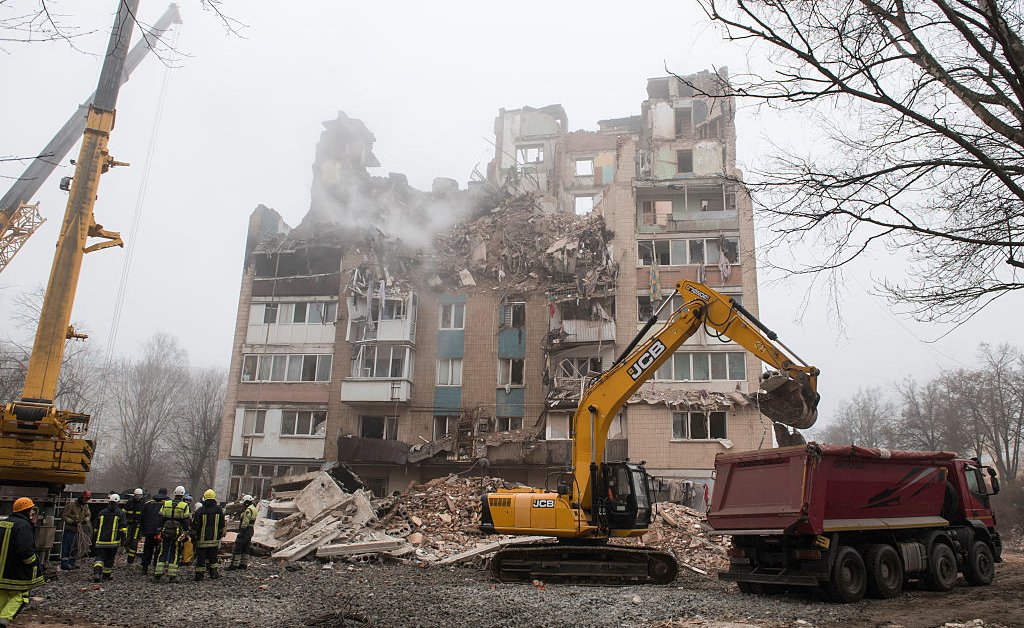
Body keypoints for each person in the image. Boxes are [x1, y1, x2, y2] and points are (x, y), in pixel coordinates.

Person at [0, 498, 45, 627]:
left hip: (2, 573)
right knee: (21, 597)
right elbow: (25, 550)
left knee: (2, 595)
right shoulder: (23, 526)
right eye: (31, 510)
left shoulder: (4, 523)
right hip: (17, 573)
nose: (32, 513)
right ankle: (2, 622)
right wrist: (33, 564)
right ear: (26, 510)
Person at [153, 486, 190, 583]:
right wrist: (186, 532)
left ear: (174, 493)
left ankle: (157, 575)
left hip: (166, 529)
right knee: (175, 551)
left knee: (162, 551)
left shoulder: (166, 503)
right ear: (183, 494)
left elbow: (160, 518)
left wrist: (159, 529)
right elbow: (186, 521)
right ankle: (172, 576)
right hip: (177, 531)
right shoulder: (184, 506)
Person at [191, 489, 225, 581]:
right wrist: (219, 535)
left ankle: (199, 575)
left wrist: (193, 537)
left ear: (205, 498)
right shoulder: (219, 510)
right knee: (213, 558)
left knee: (201, 559)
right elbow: (222, 525)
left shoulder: (200, 511)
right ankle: (214, 573)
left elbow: (195, 526)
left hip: (201, 541)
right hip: (214, 541)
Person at [92, 494, 127, 583]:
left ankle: (97, 574)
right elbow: (123, 528)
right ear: (118, 502)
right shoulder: (120, 513)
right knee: (110, 558)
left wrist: (94, 539)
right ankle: (106, 575)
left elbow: (96, 528)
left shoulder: (102, 512)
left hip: (100, 541)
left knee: (99, 558)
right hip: (113, 542)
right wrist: (124, 541)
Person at [59, 490, 91, 571]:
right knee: (67, 546)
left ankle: (72, 562)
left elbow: (88, 515)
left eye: (88, 498)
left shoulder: (85, 506)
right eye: (86, 498)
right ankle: (65, 564)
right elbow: (64, 516)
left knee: (75, 547)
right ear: (82, 497)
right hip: (70, 529)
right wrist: (72, 522)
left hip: (78, 531)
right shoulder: (71, 505)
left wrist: (85, 520)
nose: (87, 500)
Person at [139, 488, 167, 575]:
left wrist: (143, 530)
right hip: (160, 532)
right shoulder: (167, 504)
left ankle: (145, 568)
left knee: (147, 549)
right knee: (159, 550)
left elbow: (142, 517)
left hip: (149, 531)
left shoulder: (148, 504)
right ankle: (156, 568)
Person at [227, 495, 257, 570]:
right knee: (246, 547)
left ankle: (234, 565)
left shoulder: (248, 510)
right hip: (250, 530)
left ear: (246, 502)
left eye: (244, 503)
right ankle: (243, 564)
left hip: (245, 530)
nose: (243, 505)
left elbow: (245, 522)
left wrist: (241, 531)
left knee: (238, 546)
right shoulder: (254, 508)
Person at [122, 488, 145, 565]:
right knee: (126, 540)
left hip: (138, 525)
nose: (137, 498)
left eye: (139, 496)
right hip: (129, 524)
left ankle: (130, 560)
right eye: (136, 496)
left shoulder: (144, 503)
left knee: (134, 543)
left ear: (141, 496)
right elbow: (123, 513)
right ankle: (127, 549)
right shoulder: (129, 502)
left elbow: (145, 515)